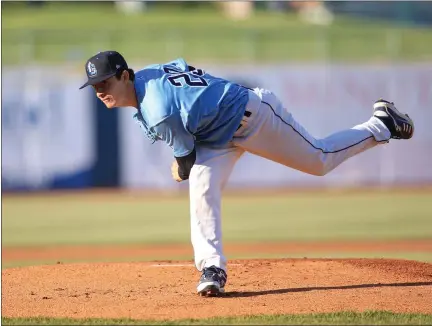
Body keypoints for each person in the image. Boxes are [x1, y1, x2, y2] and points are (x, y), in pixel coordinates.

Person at [79, 51, 414, 296]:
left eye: (104, 81)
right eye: (94, 86)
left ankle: (381, 124)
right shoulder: (148, 76)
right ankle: (212, 268)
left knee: (319, 159)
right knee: (202, 184)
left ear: (125, 76)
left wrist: (179, 169)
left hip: (253, 118)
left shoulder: (157, 111)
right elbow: (183, 67)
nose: (99, 90)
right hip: (216, 133)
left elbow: (185, 159)